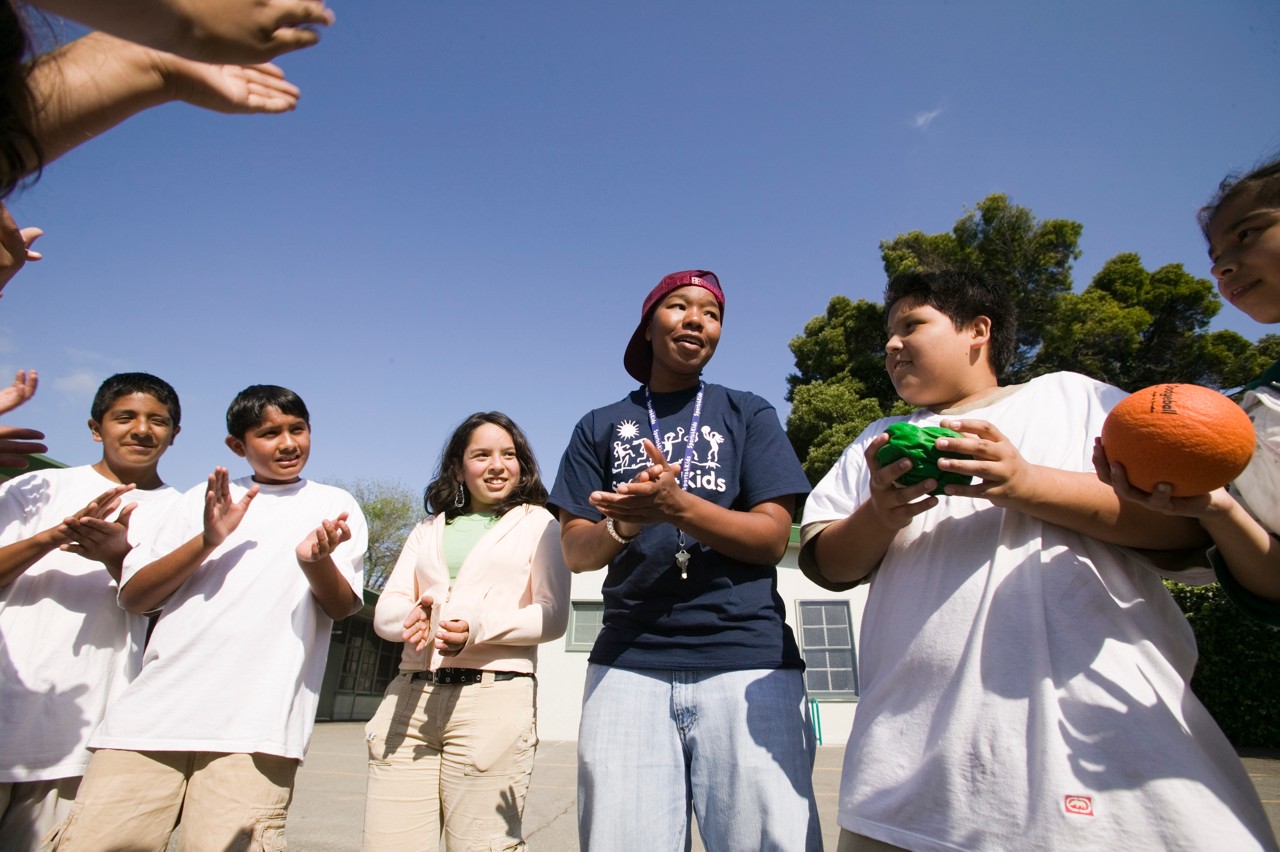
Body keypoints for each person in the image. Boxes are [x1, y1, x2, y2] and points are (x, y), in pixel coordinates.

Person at [800, 268, 1276, 850]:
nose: (892, 345)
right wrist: (879, 513)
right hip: (903, 778)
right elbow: (825, 562)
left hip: (1094, 760)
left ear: (978, 330)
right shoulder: (879, 437)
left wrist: (1025, 482)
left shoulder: (1076, 398)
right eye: (888, 336)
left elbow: (1184, 524)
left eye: (911, 324)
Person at [549, 269, 822, 851]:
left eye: (712, 312)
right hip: (628, 665)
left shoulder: (748, 414)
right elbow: (575, 551)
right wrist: (624, 523)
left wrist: (677, 506)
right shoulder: (598, 425)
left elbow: (773, 537)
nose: (697, 319)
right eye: (678, 306)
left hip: (747, 661)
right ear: (648, 326)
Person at [47, 384, 367, 851]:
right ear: (237, 446)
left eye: (298, 429)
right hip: (150, 720)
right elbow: (136, 597)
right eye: (269, 433)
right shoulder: (200, 499)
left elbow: (342, 607)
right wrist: (208, 539)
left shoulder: (334, 507)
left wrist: (315, 561)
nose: (288, 443)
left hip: (256, 730)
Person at [362, 411, 570, 851]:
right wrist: (409, 620)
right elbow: (387, 609)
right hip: (410, 700)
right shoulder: (428, 528)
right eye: (482, 455)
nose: (497, 465)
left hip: (492, 703)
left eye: (508, 455)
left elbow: (552, 616)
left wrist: (479, 627)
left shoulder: (540, 523)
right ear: (458, 467)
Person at [0, 372, 182, 850]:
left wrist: (118, 556)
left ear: (174, 435)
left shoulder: (185, 514)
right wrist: (54, 537)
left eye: (157, 421)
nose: (142, 429)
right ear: (95, 428)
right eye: (125, 417)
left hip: (78, 743)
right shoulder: (35, 486)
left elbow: (169, 613)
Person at [1098, 156, 1280, 626]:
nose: (1223, 268)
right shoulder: (1252, 411)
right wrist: (1215, 510)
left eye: (1247, 233)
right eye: (1216, 259)